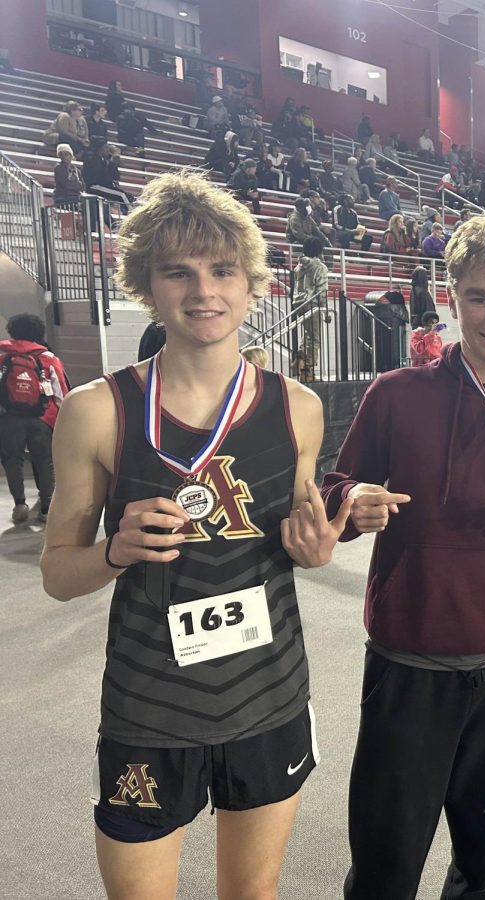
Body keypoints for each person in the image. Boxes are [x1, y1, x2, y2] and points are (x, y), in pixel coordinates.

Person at [40, 171, 351, 899]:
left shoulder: (297, 409)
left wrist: (318, 550)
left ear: (252, 285)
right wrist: (114, 551)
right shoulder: (98, 411)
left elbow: (304, 541)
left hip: (268, 698)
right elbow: (57, 573)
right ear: (147, 286)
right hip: (150, 706)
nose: (203, 290)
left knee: (253, 893)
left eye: (222, 270)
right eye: (177, 272)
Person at [320, 208, 485, 898]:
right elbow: (335, 489)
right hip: (410, 664)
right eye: (479, 296)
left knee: (482, 863)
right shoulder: (395, 396)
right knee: (385, 869)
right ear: (451, 298)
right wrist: (353, 503)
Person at [1, 314, 68, 523]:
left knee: (12, 460)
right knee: (44, 461)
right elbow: (61, 392)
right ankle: (47, 507)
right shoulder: (47, 357)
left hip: (10, 418)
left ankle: (19, 504)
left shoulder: (4, 356)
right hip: (42, 418)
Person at [292, 236, 330, 381]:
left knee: (307, 334)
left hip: (298, 303)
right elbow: (322, 291)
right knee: (315, 337)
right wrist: (325, 311)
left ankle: (300, 358)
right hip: (311, 304)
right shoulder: (320, 267)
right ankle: (308, 371)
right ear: (319, 250)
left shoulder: (298, 267)